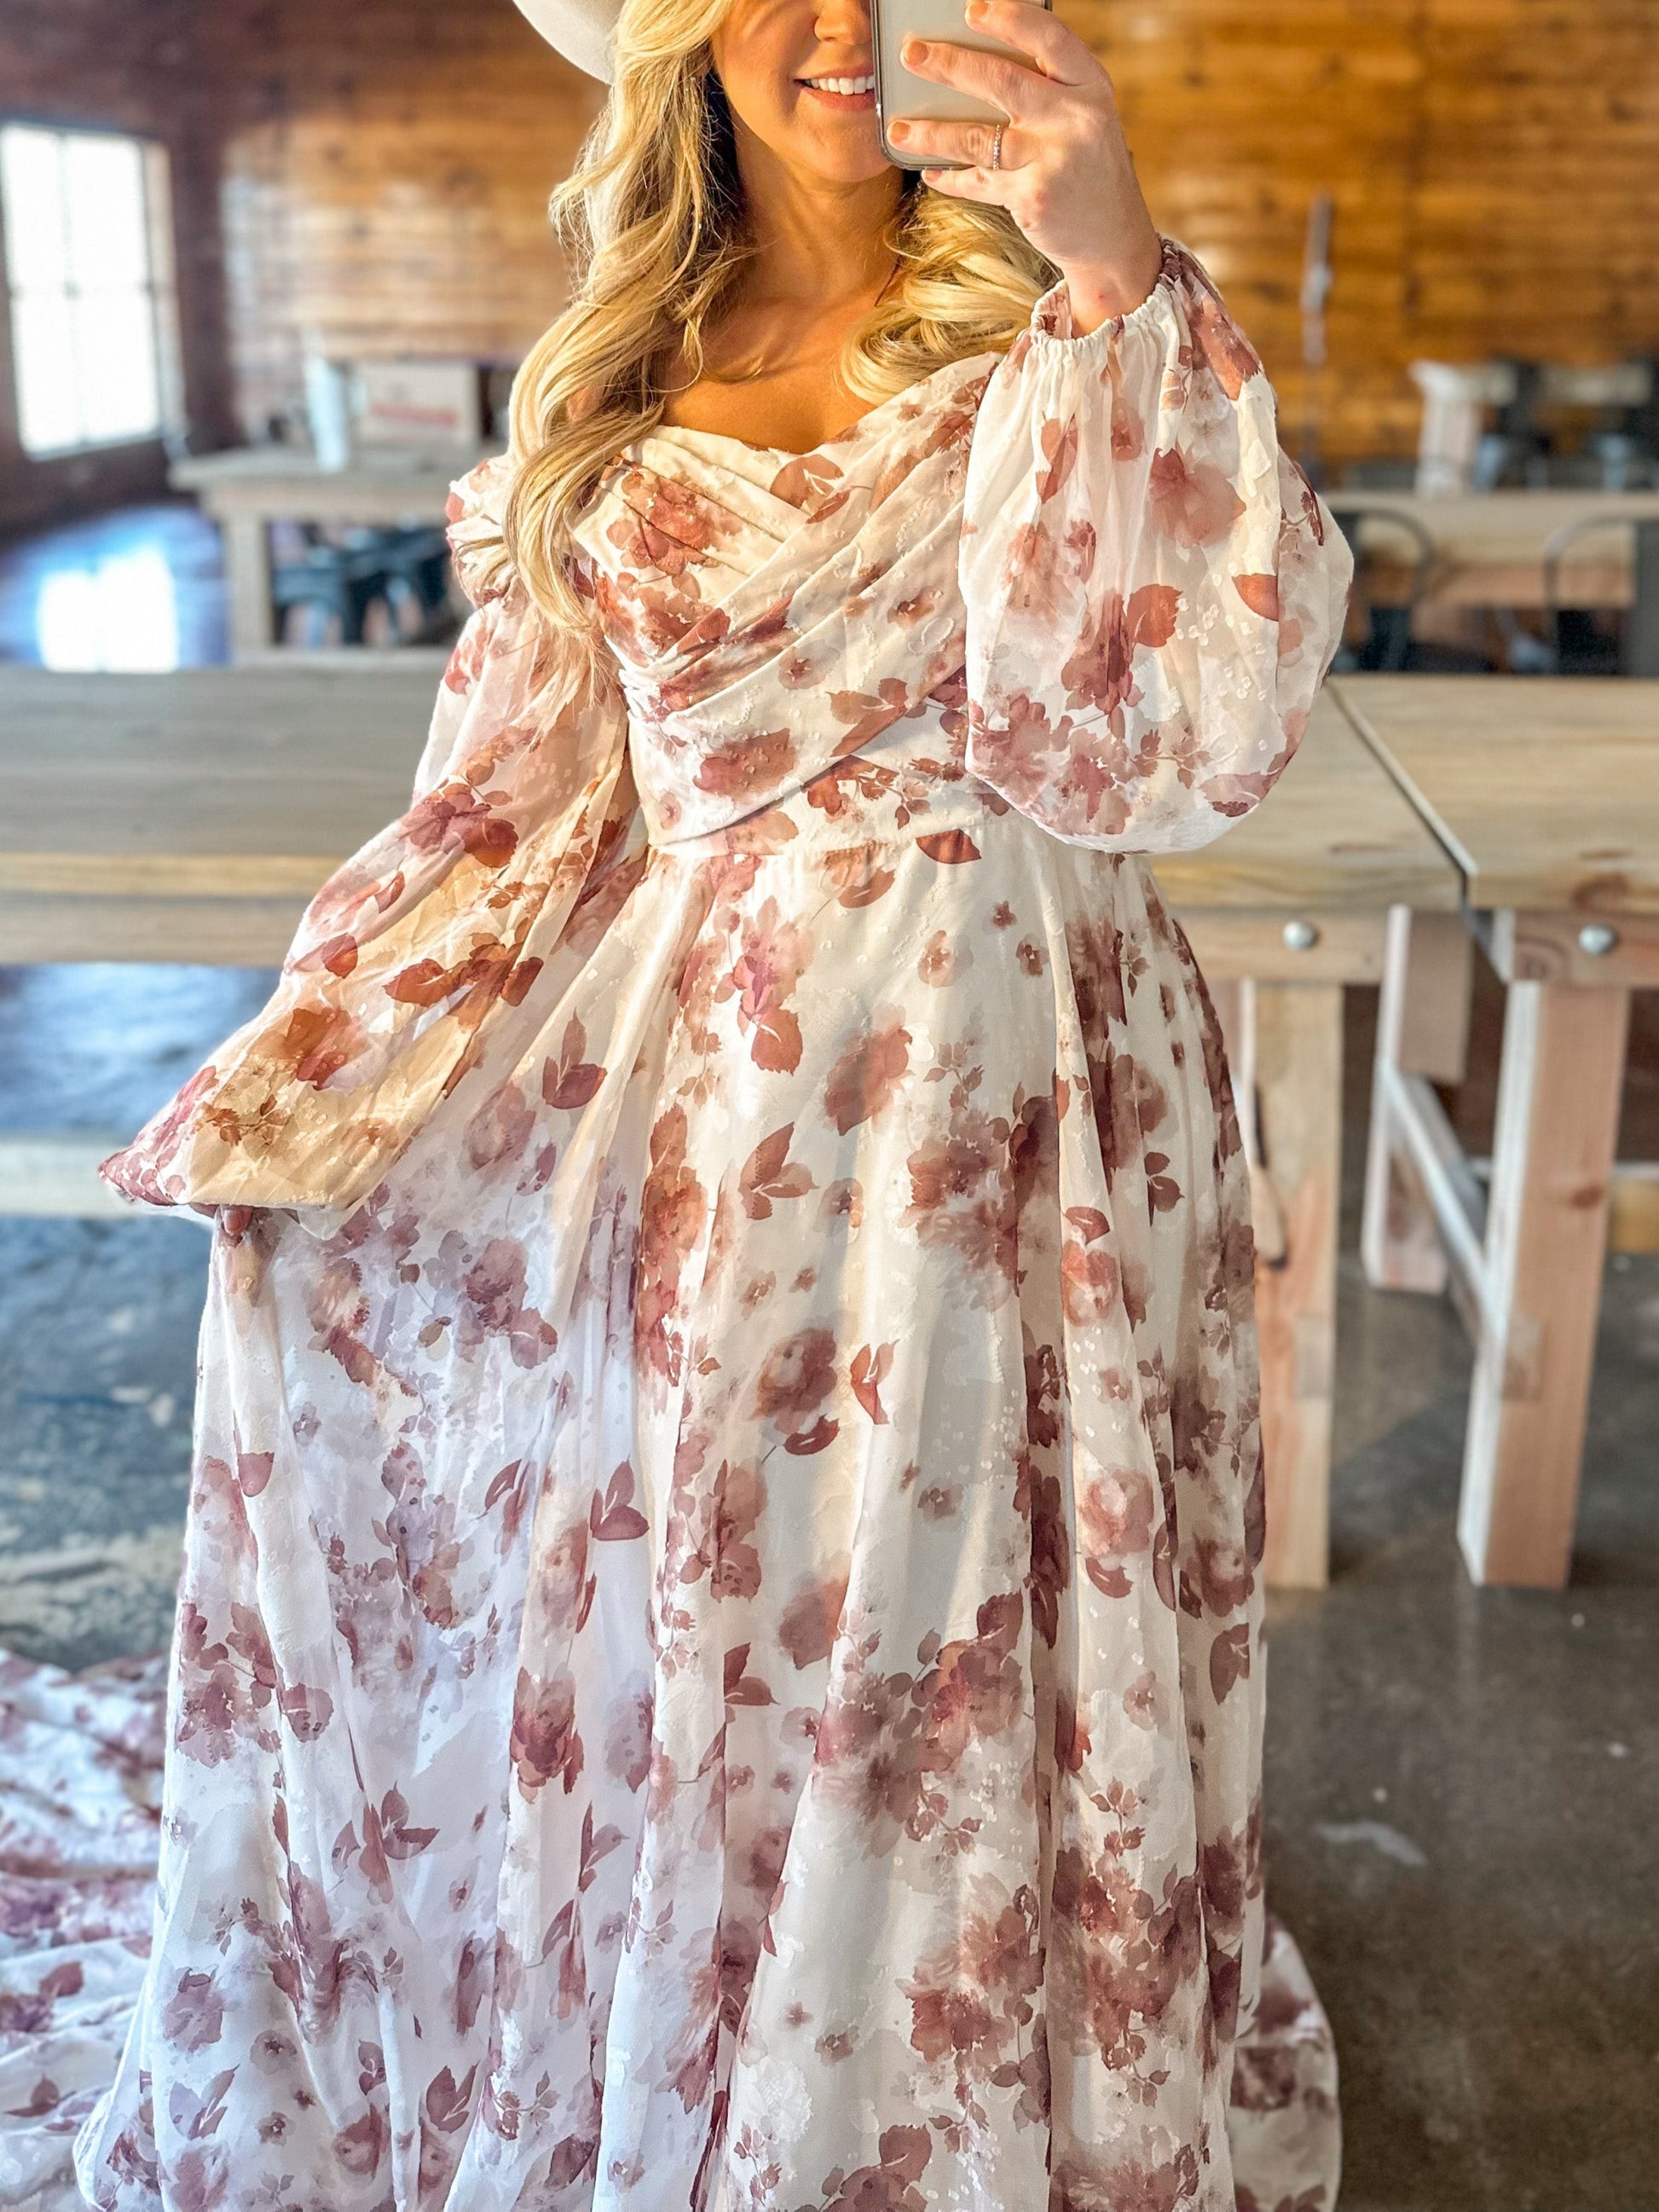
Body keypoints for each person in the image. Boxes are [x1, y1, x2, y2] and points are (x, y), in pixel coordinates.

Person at [9, 0, 1354, 2203]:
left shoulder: (1058, 313)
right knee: (784, 1627)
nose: (832, 17)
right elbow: (515, 816)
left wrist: (1116, 267)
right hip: (752, 1127)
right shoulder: (610, 389)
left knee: (998, 1617)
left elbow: (1197, 728)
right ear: (671, 36)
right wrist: (322, 1083)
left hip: (1050, 1096)